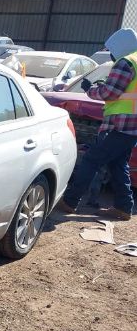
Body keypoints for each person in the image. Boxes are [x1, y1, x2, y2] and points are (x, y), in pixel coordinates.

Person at [58, 28, 137, 221]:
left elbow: (109, 93)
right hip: (131, 126)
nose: (110, 54)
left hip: (119, 124)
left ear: (120, 47)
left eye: (111, 50)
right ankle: (124, 207)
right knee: (118, 165)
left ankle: (70, 200)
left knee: (91, 160)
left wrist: (91, 89)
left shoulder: (126, 62)